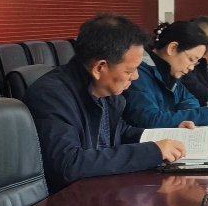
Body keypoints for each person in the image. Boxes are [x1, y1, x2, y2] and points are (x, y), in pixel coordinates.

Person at [23, 13, 192, 192]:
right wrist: (152, 152)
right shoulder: (51, 96)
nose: (135, 77)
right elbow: (69, 164)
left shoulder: (105, 91)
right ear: (99, 68)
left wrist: (170, 134)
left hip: (100, 191)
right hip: (71, 199)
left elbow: (121, 132)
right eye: (129, 71)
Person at [122, 21, 208, 128]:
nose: (191, 67)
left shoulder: (171, 72)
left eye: (195, 63)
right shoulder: (138, 73)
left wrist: (181, 118)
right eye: (191, 59)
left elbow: (190, 100)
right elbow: (148, 119)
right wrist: (198, 116)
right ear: (172, 48)